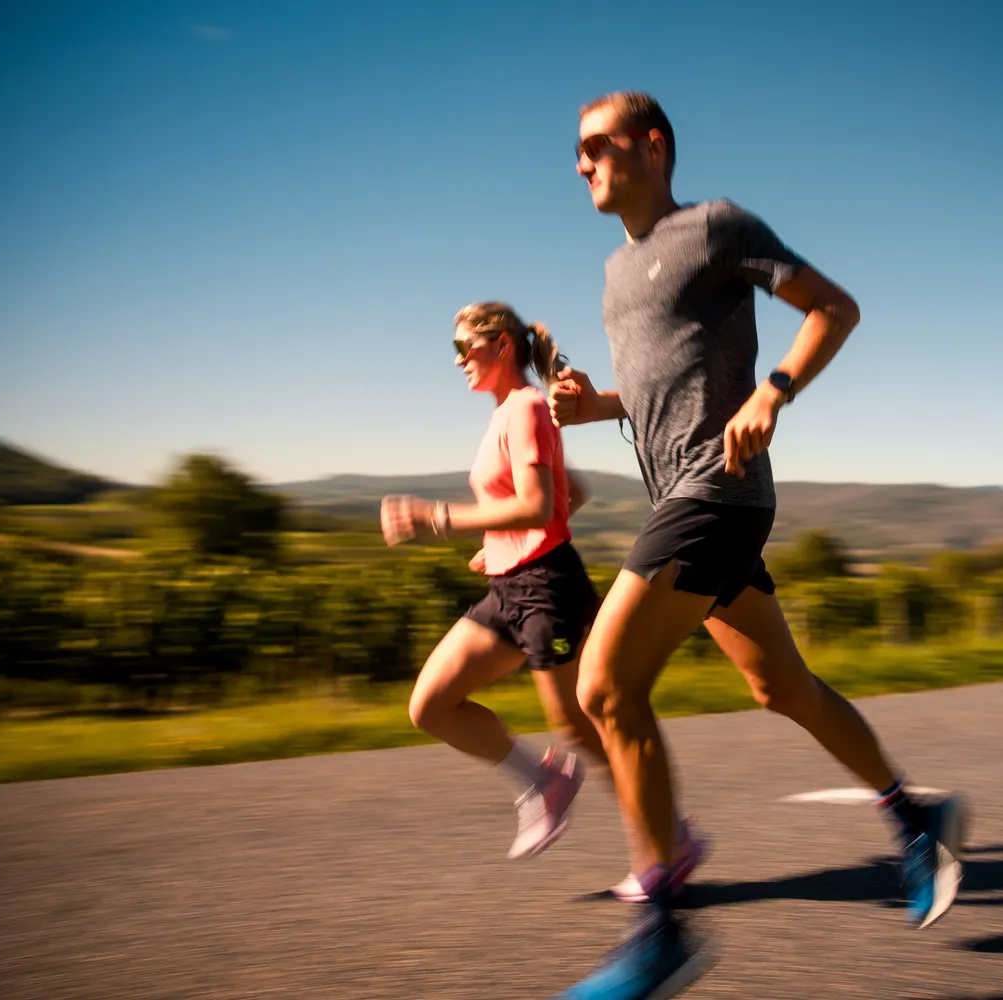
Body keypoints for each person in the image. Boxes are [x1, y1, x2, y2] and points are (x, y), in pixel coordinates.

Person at [548, 92, 971, 1000]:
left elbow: (833, 308)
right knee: (782, 686)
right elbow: (661, 387)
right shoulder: (616, 271)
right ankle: (917, 818)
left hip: (718, 495)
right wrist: (594, 407)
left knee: (604, 687)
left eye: (597, 146)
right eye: (576, 153)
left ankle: (662, 931)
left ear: (652, 146)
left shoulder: (716, 227)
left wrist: (773, 391)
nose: (581, 164)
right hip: (690, 498)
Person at [380, 302, 604, 861]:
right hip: (509, 587)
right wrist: (502, 543)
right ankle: (543, 782)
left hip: (547, 589)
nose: (458, 360)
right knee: (431, 705)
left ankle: (668, 829)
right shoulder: (510, 411)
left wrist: (436, 517)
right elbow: (571, 494)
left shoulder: (527, 407)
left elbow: (538, 505)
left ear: (502, 346)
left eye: (464, 347)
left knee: (579, 727)